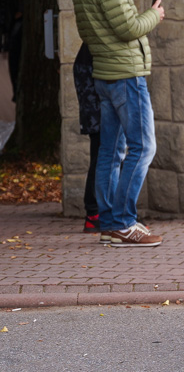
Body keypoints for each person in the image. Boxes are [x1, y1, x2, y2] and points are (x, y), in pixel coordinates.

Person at [65, 0, 164, 247]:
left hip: (105, 74)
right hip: (125, 75)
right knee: (142, 147)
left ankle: (108, 222)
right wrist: (155, 15)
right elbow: (128, 29)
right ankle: (123, 222)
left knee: (111, 149)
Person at [72, 43, 101, 233]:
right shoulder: (93, 46)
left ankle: (96, 212)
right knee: (103, 155)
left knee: (103, 154)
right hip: (97, 103)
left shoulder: (90, 47)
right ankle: (94, 212)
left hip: (96, 101)